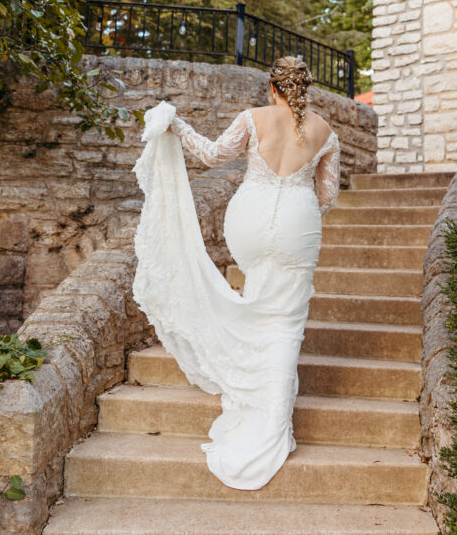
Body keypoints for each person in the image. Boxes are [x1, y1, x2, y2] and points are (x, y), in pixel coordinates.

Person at [132, 56, 340, 490]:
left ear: (273, 88)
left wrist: (177, 126)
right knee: (285, 324)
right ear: (305, 89)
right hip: (298, 223)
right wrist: (300, 218)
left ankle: (247, 382)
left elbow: (213, 156)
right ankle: (273, 422)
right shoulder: (325, 131)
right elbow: (327, 196)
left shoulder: (252, 117)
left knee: (256, 303)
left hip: (249, 220)